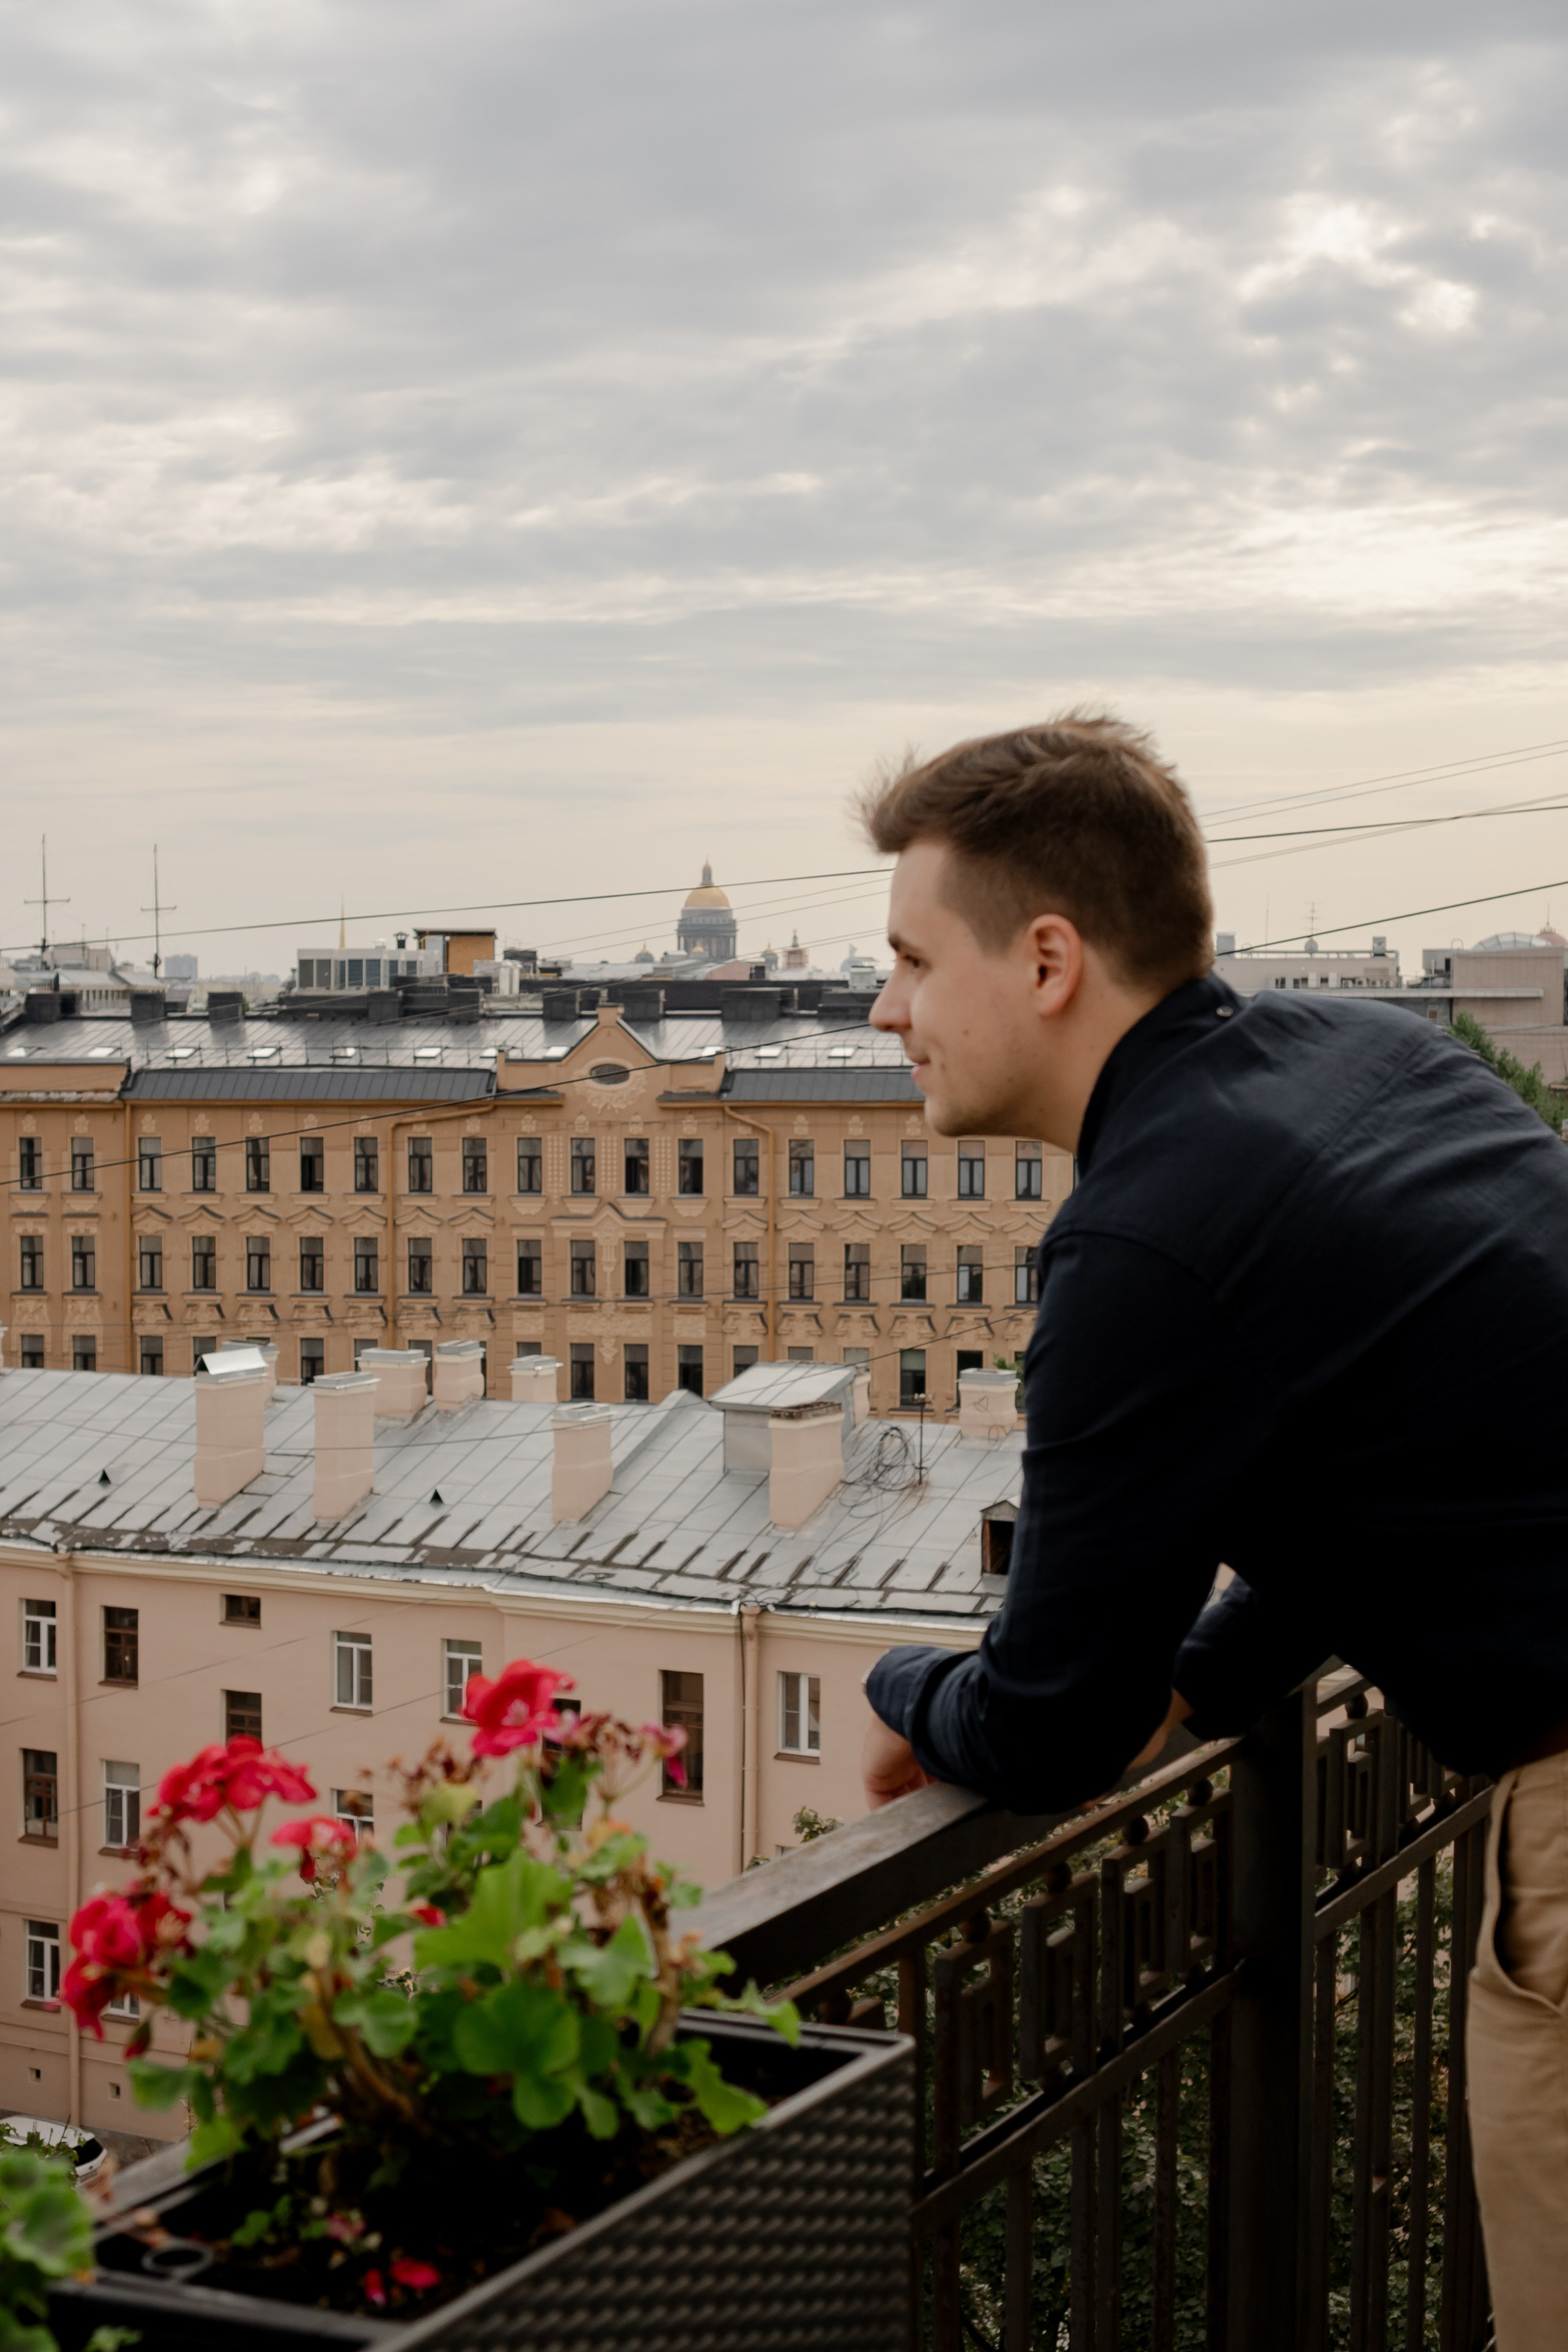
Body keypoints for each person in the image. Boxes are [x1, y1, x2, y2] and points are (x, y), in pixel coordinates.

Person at [858, 714, 1568, 2352]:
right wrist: (1214, 1669)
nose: (886, 1009)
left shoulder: (1144, 1242)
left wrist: (908, 1689)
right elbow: (1389, 1450)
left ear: (1046, 959)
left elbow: (1050, 1727)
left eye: (906, 959)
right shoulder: (1355, 1055)